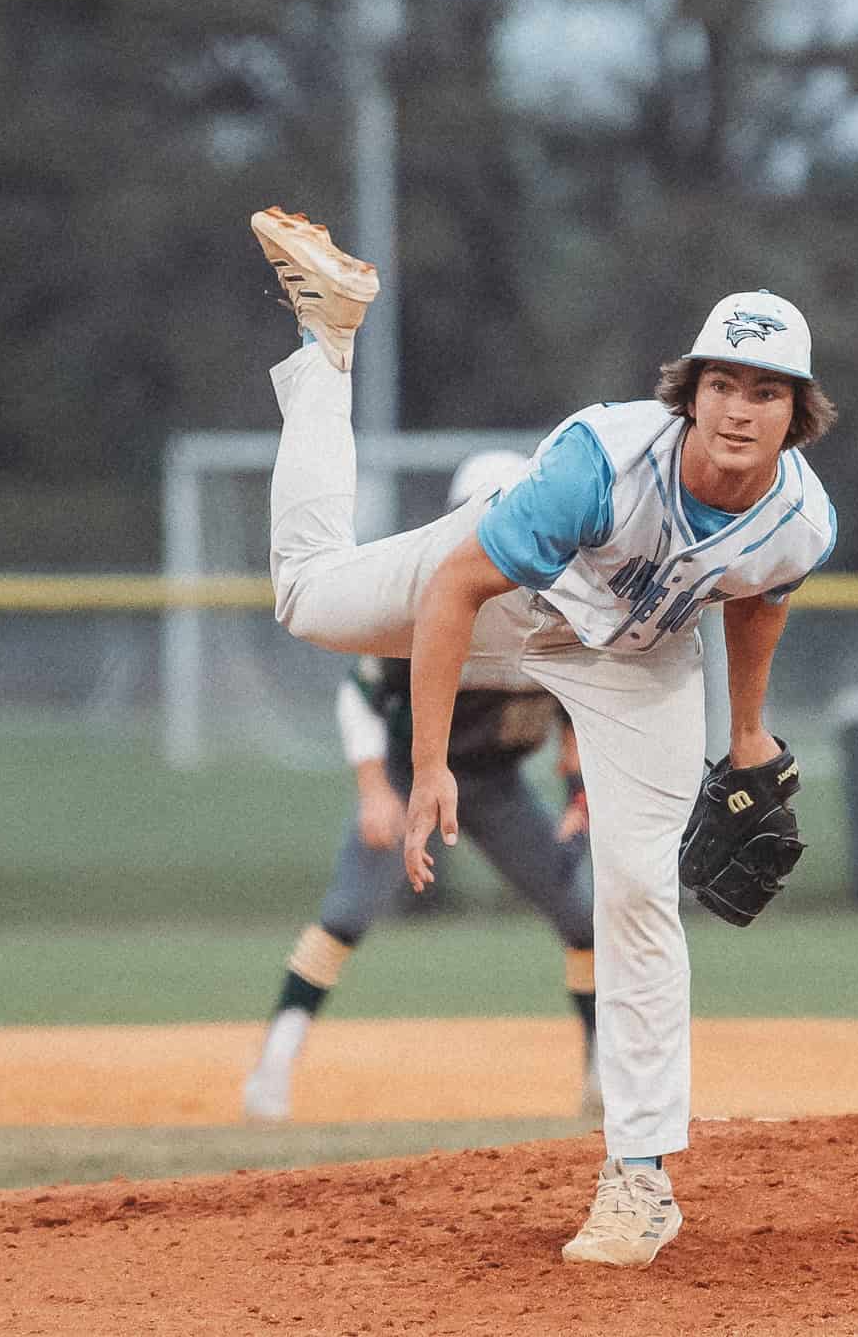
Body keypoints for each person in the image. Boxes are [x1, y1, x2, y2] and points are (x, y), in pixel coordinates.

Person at [251, 207, 838, 1266]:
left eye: (767, 391)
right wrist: (426, 764)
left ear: (796, 412)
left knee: (636, 889)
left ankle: (639, 1176)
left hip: (636, 661)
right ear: (689, 391)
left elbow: (758, 599)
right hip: (506, 603)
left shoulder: (800, 516)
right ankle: (326, 340)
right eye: (722, 383)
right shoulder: (598, 462)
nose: (740, 409)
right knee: (302, 599)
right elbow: (455, 588)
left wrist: (746, 732)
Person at [241, 450, 601, 1124]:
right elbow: (360, 699)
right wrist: (376, 789)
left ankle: (602, 1072)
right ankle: (275, 1062)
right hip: (412, 777)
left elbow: (574, 716)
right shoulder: (433, 604)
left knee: (583, 918)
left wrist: (580, 793)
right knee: (347, 913)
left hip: (491, 784)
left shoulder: (562, 612)